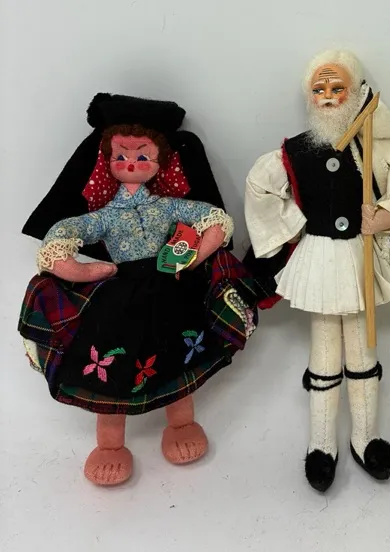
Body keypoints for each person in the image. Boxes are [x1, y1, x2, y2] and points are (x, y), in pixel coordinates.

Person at [19, 93, 263, 486]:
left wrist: (194, 259)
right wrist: (84, 268)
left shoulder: (167, 206)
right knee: (111, 367)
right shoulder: (103, 216)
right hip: (119, 297)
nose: (131, 163)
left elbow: (213, 218)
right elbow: (64, 232)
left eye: (143, 155)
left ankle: (180, 424)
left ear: (161, 162)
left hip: (171, 290)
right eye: (121, 155)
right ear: (107, 162)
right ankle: (110, 444)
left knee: (177, 354)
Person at [243, 49, 390, 492]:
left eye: (337, 87)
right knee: (324, 355)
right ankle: (321, 444)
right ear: (309, 97)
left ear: (357, 92)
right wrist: (294, 225)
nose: (328, 96)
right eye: (319, 89)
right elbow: (259, 185)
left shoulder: (376, 148)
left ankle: (365, 438)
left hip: (358, 259)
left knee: (363, 354)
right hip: (321, 259)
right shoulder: (294, 151)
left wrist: (385, 216)